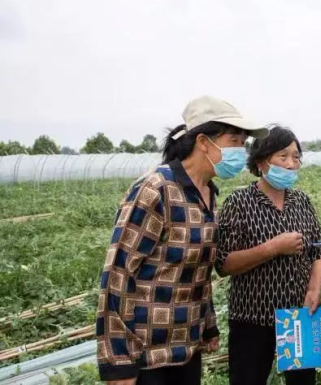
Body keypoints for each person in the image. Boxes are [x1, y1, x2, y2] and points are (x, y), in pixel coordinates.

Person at [96, 96, 267, 385]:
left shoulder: (208, 193)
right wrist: (119, 362)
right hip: (147, 354)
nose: (241, 150)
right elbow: (117, 275)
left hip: (186, 348)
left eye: (243, 142)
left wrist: (208, 326)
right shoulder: (156, 189)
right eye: (234, 140)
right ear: (203, 141)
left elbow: (198, 269)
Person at [215, 126, 321, 385]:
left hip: (299, 317)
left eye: (296, 156)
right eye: (283, 156)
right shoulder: (239, 203)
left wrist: (314, 289)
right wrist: (273, 248)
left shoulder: (301, 201)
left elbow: (320, 252)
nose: (291, 163)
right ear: (261, 161)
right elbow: (223, 263)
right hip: (253, 319)